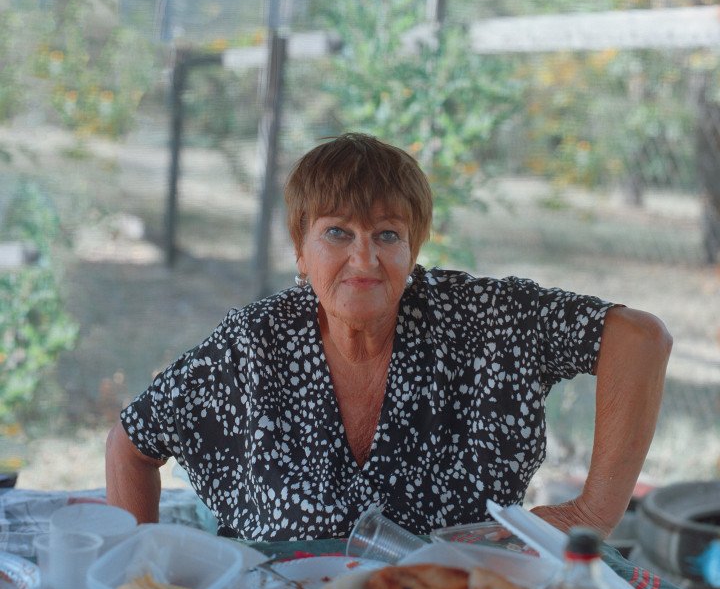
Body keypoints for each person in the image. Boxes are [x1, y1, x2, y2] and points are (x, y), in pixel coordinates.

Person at [106, 133, 672, 541]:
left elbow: (639, 338)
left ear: (413, 249)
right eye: (336, 232)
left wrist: (592, 512)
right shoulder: (255, 346)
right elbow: (130, 447)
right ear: (301, 253)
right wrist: (135, 577)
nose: (364, 258)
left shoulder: (482, 321)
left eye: (387, 233)